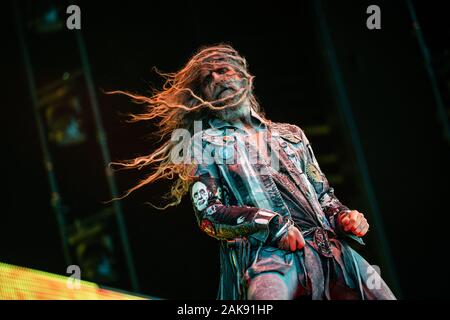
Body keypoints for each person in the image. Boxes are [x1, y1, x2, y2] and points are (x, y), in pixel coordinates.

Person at [111, 44, 396, 300]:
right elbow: (208, 213)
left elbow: (324, 196)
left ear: (245, 77)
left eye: (223, 71)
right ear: (202, 96)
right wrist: (270, 223)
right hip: (268, 258)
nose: (217, 79)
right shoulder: (201, 142)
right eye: (207, 80)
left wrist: (345, 217)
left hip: (327, 247)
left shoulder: (290, 134)